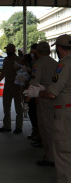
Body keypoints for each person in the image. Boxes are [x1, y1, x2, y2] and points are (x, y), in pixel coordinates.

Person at [24, 34, 71, 183]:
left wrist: (35, 95)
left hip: (61, 109)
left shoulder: (63, 64)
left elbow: (51, 93)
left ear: (58, 49)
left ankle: (53, 161)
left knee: (61, 148)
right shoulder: (56, 63)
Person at [24, 42, 58, 166]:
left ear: (37, 52)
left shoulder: (39, 65)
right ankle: (53, 154)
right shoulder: (56, 64)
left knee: (45, 129)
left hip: (44, 100)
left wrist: (26, 101)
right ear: (49, 51)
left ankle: (50, 158)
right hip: (56, 99)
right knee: (53, 128)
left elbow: (33, 84)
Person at [0, 43, 23, 134]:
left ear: (14, 50)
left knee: (18, 107)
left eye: (10, 49)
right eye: (7, 49)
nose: (8, 51)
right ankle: (7, 126)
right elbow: (3, 72)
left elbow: (23, 72)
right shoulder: (6, 59)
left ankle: (19, 127)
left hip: (17, 85)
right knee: (6, 107)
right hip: (7, 85)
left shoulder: (19, 60)